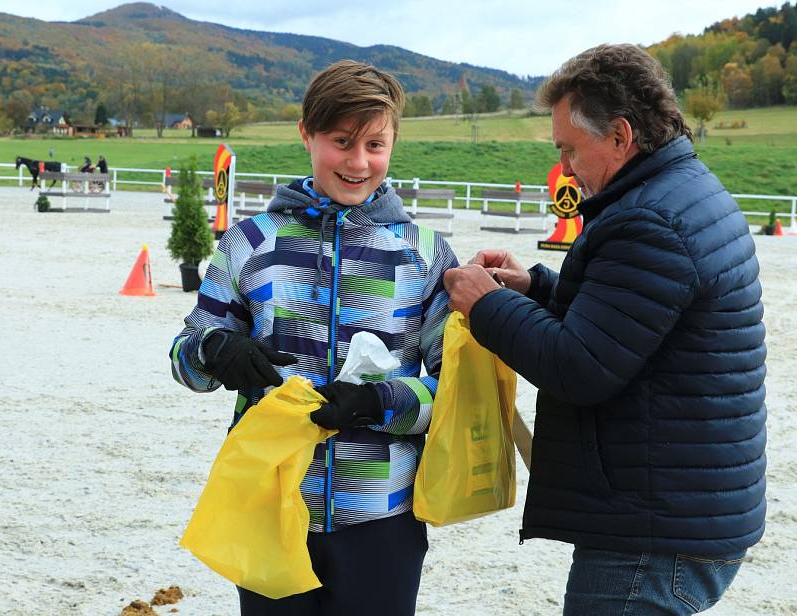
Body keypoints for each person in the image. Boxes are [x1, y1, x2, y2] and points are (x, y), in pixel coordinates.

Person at [444, 44, 765, 615]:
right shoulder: (680, 190)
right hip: (680, 509)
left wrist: (486, 305)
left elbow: (579, 366)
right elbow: (629, 321)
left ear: (620, 135)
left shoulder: (650, 221)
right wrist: (537, 288)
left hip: (653, 534)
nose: (565, 169)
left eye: (570, 149)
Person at [170, 59, 458, 616]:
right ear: (306, 133)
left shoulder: (425, 255)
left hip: (382, 515)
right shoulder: (249, 243)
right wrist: (214, 350)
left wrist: (383, 400)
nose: (358, 161)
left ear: (394, 140)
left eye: (375, 144)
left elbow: (455, 391)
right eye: (341, 141)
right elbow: (184, 359)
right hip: (271, 506)